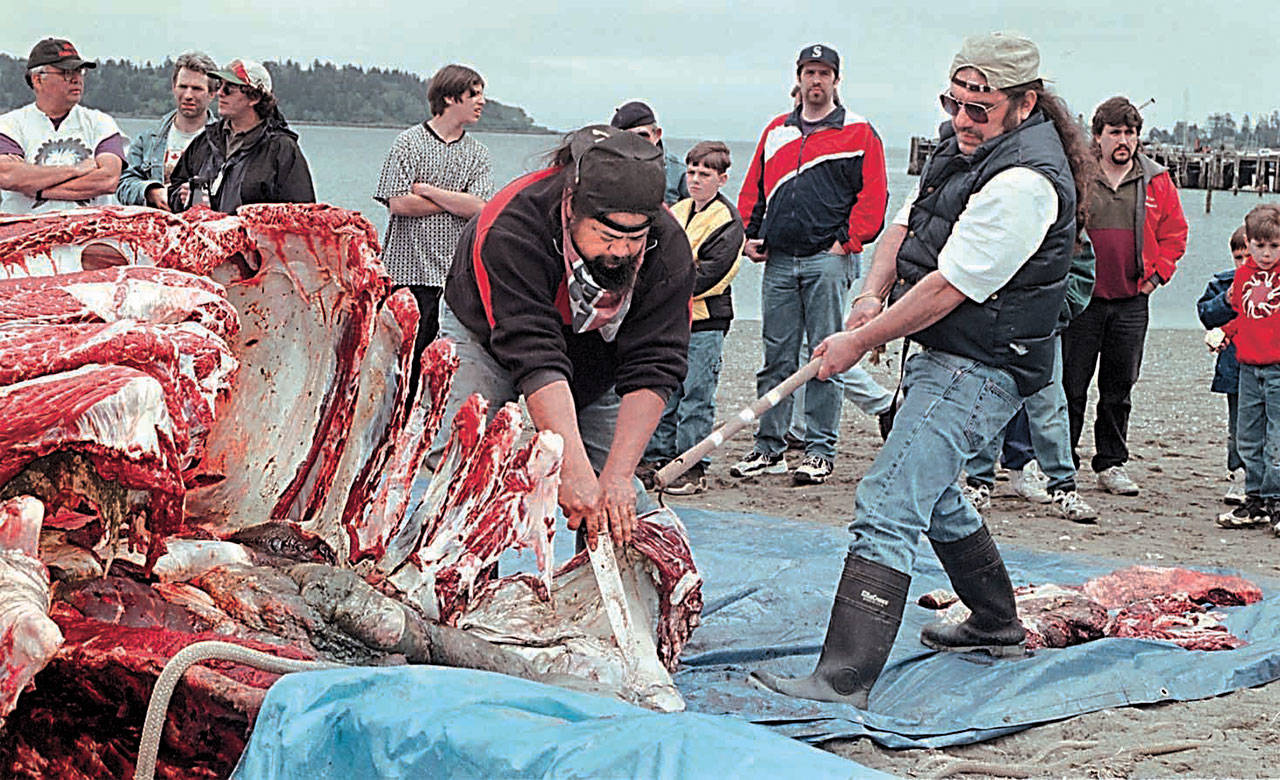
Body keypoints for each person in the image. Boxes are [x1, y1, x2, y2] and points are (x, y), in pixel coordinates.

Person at [752, 32, 1091, 706]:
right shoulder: (959, 146)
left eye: (979, 108)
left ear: (1024, 104)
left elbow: (949, 287)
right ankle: (995, 621)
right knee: (934, 492)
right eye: (954, 102)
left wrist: (858, 343)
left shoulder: (1025, 182)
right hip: (945, 348)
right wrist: (869, 298)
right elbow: (905, 226)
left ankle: (842, 678)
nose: (962, 119)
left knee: (889, 500)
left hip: (984, 363)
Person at [432, 125, 695, 548]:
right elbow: (534, 356)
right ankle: (454, 578)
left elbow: (656, 362)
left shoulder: (669, 248)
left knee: (613, 494)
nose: (622, 253)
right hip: (486, 330)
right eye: (608, 236)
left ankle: (598, 597)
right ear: (571, 207)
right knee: (463, 462)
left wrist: (617, 475)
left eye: (635, 239)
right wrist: (570, 469)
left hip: (601, 348)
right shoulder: (511, 226)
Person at [732, 43, 889, 485]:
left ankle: (820, 451)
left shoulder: (859, 131)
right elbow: (754, 189)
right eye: (809, 72)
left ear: (836, 79)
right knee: (776, 357)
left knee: (826, 358)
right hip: (780, 261)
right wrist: (751, 233)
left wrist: (849, 241)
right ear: (798, 78)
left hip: (828, 261)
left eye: (824, 73)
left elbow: (873, 196)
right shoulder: (776, 130)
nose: (815, 81)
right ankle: (769, 448)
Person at [1061, 96, 1188, 497]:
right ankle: (1063, 464)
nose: (1123, 140)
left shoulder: (1156, 180)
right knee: (1071, 386)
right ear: (1097, 136)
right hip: (1082, 300)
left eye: (1130, 133)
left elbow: (1175, 234)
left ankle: (1112, 464)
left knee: (1119, 387)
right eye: (1114, 132)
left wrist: (1156, 278)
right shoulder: (1077, 176)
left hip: (1132, 301)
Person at [374, 64, 494, 397]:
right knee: (397, 370)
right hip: (406, 273)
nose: (481, 101)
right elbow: (398, 203)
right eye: (473, 94)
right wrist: (457, 201)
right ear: (450, 97)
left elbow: (480, 208)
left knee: (448, 370)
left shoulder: (478, 154)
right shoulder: (408, 143)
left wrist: (427, 190)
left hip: (455, 279)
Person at [963, 232, 1099, 523]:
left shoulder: (1068, 224)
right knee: (987, 405)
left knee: (1048, 408)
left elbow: (1081, 278)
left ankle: (1063, 486)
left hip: (1043, 331)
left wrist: (1052, 314)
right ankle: (978, 483)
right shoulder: (1000, 214)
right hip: (996, 326)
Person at [638, 141, 743, 495]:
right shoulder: (677, 211)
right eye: (692, 172)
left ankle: (693, 465)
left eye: (705, 174)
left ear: (722, 179)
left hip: (706, 320)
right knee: (666, 391)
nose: (696, 179)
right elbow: (652, 257)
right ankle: (657, 457)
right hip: (673, 319)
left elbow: (711, 275)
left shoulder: (728, 222)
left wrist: (668, 282)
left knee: (697, 394)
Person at [168, 58, 314, 212]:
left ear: (254, 97)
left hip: (252, 236)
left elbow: (303, 215)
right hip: (202, 234)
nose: (219, 93)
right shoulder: (206, 140)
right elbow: (175, 188)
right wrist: (182, 198)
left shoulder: (282, 150)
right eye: (219, 86)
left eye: (229, 88)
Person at [0, 38, 124, 214]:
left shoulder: (100, 123)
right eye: (65, 72)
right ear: (37, 79)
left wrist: (38, 189)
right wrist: (76, 170)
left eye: (79, 71)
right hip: (26, 232)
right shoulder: (9, 126)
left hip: (91, 232)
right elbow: (8, 176)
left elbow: (108, 180)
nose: (76, 79)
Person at [1216, 206, 1280, 533]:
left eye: (1274, 246)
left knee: (1277, 438)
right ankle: (1254, 497)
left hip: (1277, 368)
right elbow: (1244, 317)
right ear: (1249, 242)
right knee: (1247, 437)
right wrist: (1225, 333)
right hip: (1247, 368)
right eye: (1260, 246)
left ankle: (1275, 499)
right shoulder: (1243, 277)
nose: (1266, 253)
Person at [116, 51, 218, 210]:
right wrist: (150, 191)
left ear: (212, 93)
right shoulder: (148, 138)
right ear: (173, 87)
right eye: (183, 87)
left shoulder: (223, 143)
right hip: (156, 228)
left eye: (197, 89)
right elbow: (123, 184)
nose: (188, 95)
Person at [1200, 226, 1249, 510]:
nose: (1243, 263)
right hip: (1235, 367)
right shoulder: (1224, 283)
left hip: (1269, 365)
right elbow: (1207, 315)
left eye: (1248, 256)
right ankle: (1239, 473)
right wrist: (1227, 299)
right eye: (1238, 257)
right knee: (1237, 426)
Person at [609, 100, 688, 205]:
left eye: (642, 135)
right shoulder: (605, 170)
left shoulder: (678, 172)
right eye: (627, 137)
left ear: (657, 135)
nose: (636, 142)